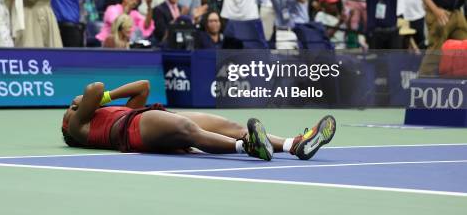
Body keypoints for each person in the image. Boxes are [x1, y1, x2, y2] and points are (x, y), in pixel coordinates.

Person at [62, 80, 336, 161]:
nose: (69, 109)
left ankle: (294, 145)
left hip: (146, 119)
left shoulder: (112, 110)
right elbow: (94, 88)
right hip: (133, 131)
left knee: (232, 126)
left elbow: (143, 87)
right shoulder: (79, 128)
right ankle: (247, 147)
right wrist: (87, 101)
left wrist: (108, 98)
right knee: (188, 130)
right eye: (68, 112)